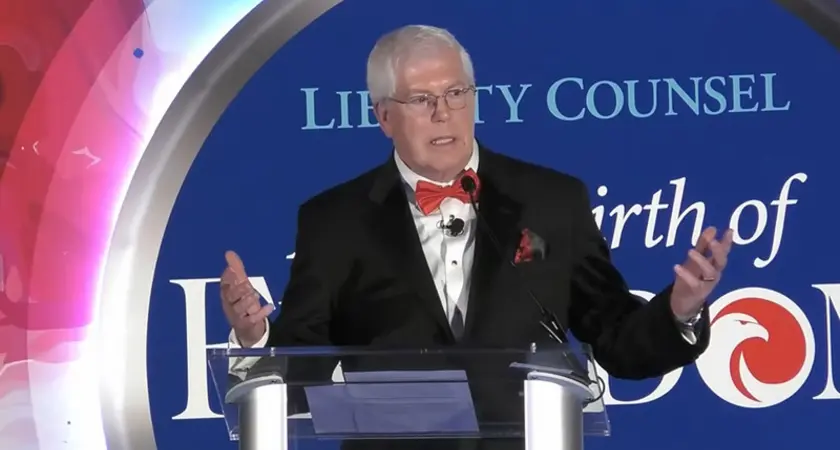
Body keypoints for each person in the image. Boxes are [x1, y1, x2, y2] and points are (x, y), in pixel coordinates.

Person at [220, 24, 733, 449]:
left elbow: (618, 341)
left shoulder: (551, 202)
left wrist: (678, 310)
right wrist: (254, 337)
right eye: (421, 99)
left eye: (456, 93)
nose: (443, 113)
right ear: (383, 116)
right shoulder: (335, 220)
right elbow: (303, 370)